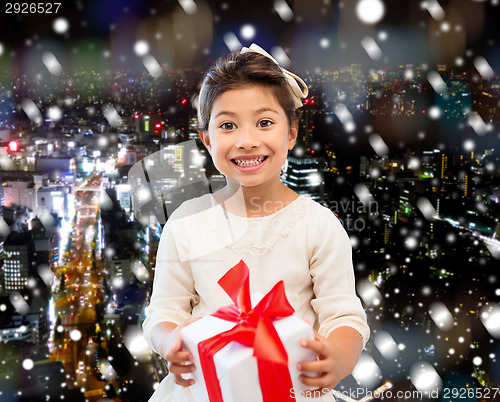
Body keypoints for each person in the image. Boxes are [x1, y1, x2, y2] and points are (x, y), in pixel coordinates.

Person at [142, 44, 370, 401]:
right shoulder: (186, 223)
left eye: (264, 122)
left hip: (292, 388)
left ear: (291, 133)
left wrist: (338, 358)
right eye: (228, 125)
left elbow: (345, 318)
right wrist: (171, 340)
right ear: (207, 139)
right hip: (204, 388)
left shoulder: (318, 226)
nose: (247, 141)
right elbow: (163, 312)